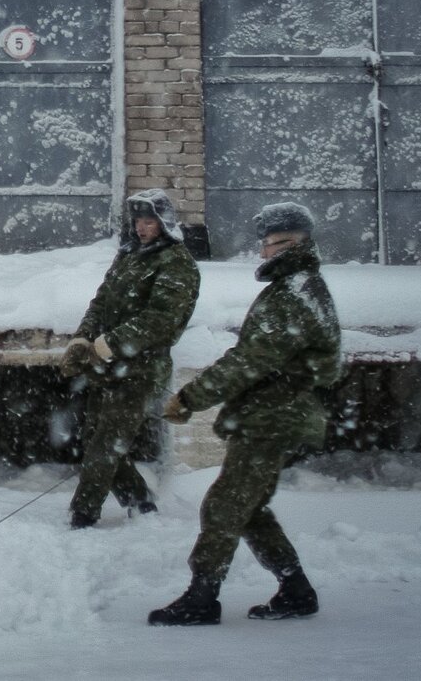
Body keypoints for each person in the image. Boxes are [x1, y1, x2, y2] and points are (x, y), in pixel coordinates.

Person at [148, 202, 341, 626]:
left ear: (299, 243)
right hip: (271, 415)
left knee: (224, 505)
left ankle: (202, 597)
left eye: (276, 243)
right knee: (247, 506)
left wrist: (191, 398)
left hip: (274, 419)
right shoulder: (296, 287)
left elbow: (250, 360)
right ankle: (296, 589)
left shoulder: (295, 293)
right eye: (266, 243)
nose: (266, 252)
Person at [60, 189, 200, 528]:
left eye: (149, 221)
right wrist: (83, 338)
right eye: (138, 220)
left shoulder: (176, 262)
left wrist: (111, 343)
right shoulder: (129, 254)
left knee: (107, 443)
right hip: (107, 366)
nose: (141, 228)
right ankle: (140, 503)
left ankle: (83, 515)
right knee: (97, 438)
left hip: (142, 369)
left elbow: (160, 319)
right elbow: (102, 300)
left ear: (163, 224)